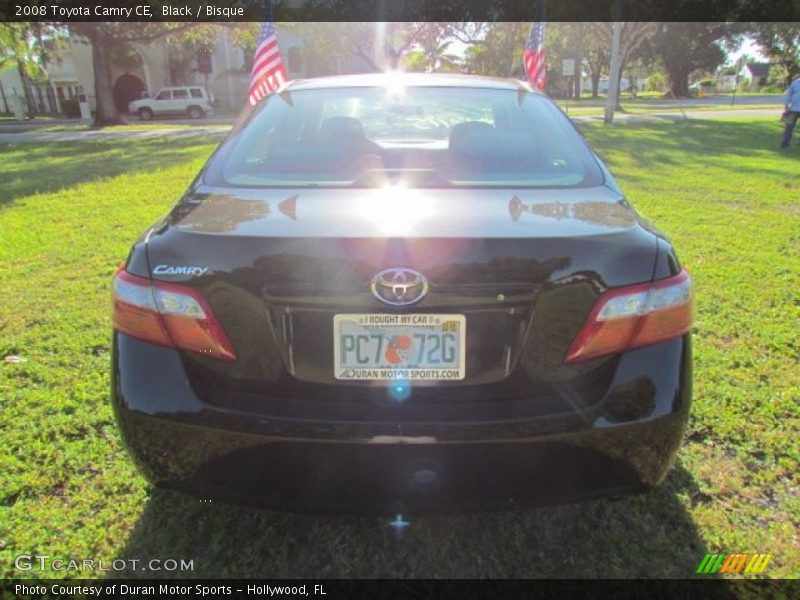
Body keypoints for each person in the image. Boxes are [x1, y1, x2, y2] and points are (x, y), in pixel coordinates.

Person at [780, 75, 800, 149]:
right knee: (789, 128)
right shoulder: (795, 83)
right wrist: (786, 106)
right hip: (793, 109)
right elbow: (788, 95)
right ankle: (785, 144)